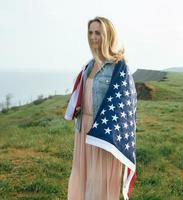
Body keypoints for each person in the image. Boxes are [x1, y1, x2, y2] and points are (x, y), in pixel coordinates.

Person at [67, 16, 126, 200]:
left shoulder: (118, 66)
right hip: (83, 128)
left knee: (99, 181)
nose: (93, 37)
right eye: (91, 32)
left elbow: (127, 104)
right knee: (82, 175)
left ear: (107, 35)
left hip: (102, 132)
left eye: (98, 33)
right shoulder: (89, 65)